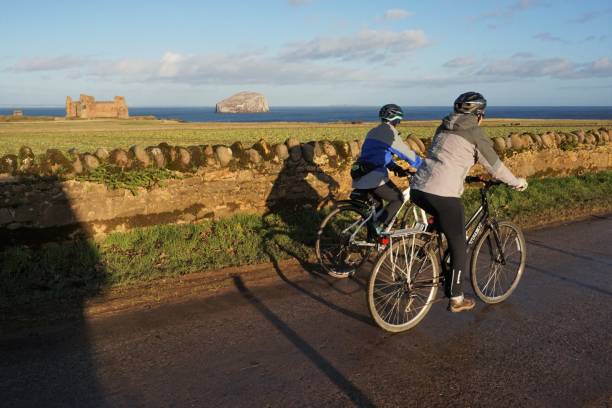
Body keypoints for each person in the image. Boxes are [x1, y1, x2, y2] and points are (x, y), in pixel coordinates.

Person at [410, 92, 528, 313]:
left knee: (444, 223)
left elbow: (446, 159)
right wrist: (516, 182)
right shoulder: (475, 132)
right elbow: (496, 166)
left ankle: (422, 252)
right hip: (442, 193)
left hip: (419, 187)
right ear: (479, 114)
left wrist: (465, 176)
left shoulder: (443, 127)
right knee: (459, 245)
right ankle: (456, 298)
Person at [350, 104, 423, 233]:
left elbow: (379, 156)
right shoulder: (389, 134)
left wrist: (396, 168)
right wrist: (425, 167)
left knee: (379, 210)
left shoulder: (373, 132)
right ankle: (377, 228)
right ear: (396, 120)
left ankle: (374, 239)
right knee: (398, 199)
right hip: (374, 177)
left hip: (360, 174)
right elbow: (407, 154)